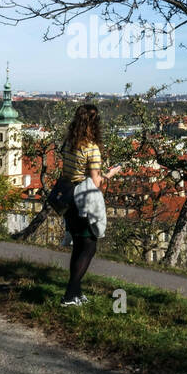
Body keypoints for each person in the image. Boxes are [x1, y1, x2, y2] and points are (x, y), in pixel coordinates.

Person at [58, 105, 120, 306]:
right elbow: (95, 182)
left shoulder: (68, 143)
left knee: (78, 246)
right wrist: (109, 174)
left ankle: (76, 293)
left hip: (68, 197)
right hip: (83, 200)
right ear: (95, 124)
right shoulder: (91, 148)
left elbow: (68, 172)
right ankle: (69, 295)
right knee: (89, 247)